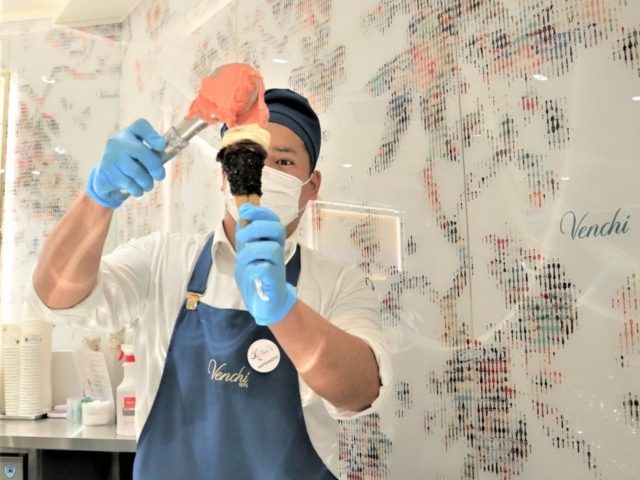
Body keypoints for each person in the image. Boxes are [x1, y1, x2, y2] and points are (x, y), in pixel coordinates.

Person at [25, 88, 392, 479]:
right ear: (223, 176)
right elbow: (55, 299)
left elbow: (361, 393)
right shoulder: (162, 259)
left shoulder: (339, 282)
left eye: (284, 161)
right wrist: (98, 199)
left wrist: (283, 311)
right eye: (249, 158)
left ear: (312, 186)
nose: (263, 174)